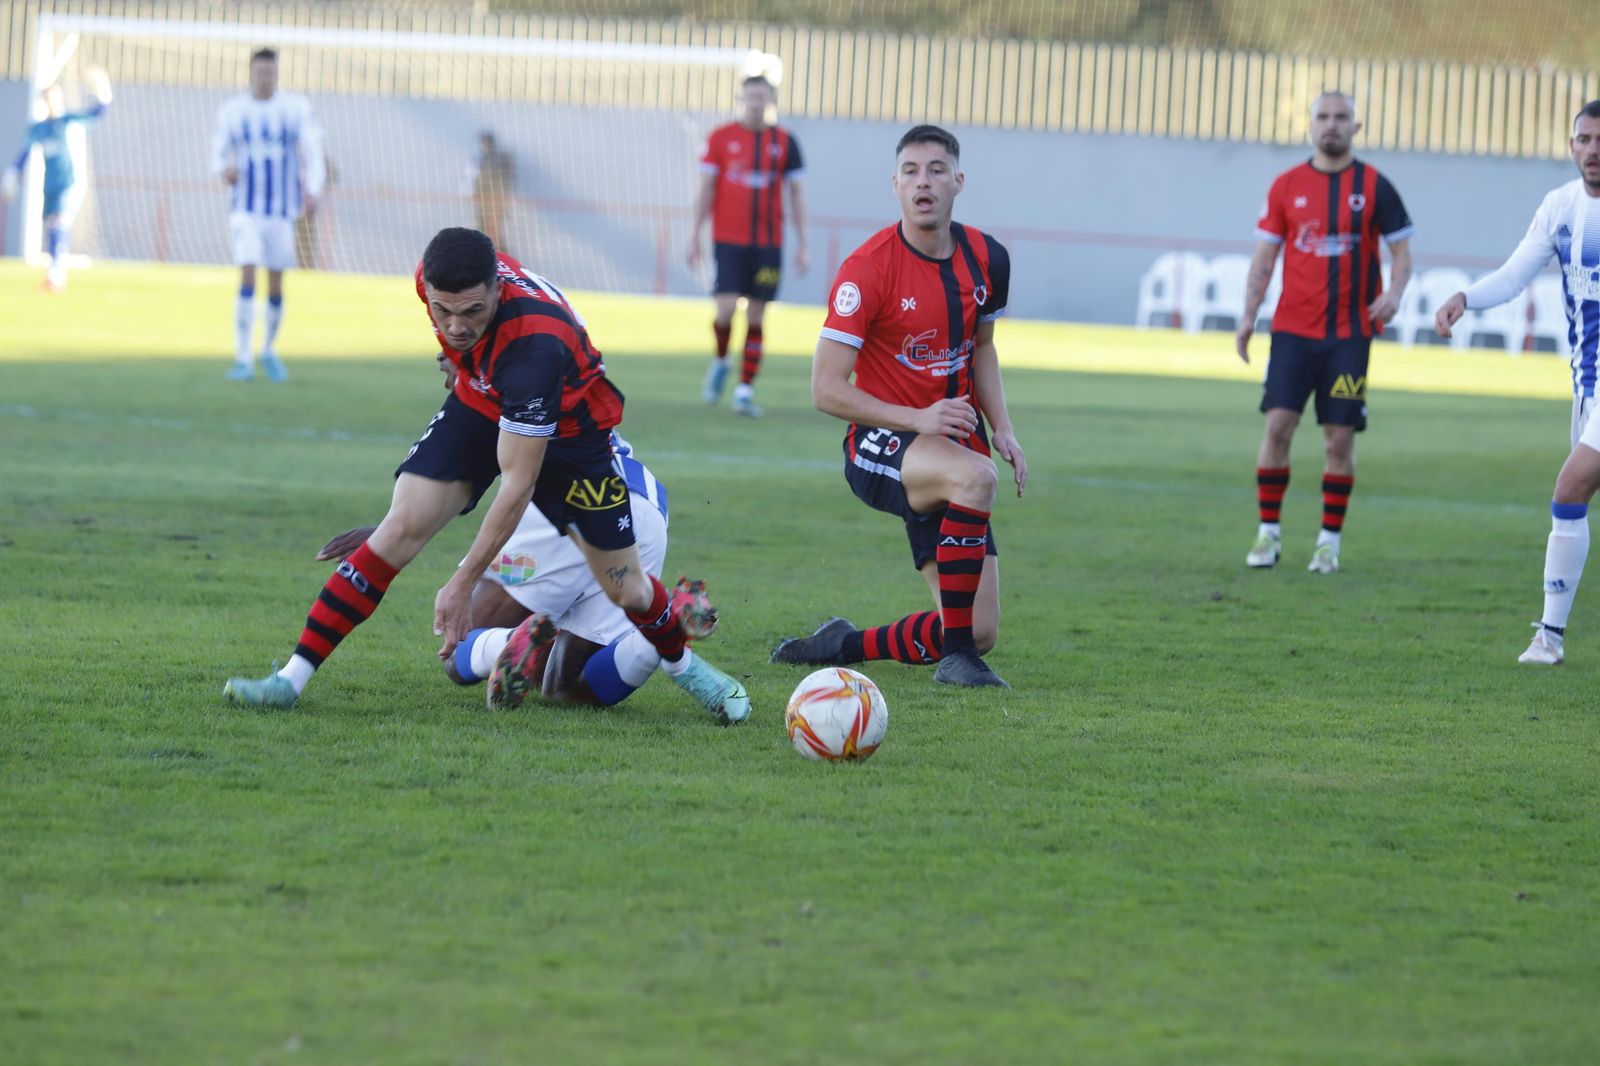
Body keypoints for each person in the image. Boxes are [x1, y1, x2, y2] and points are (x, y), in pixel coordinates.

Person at [224, 229, 750, 725]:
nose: (456, 325)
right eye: (442, 311)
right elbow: (462, 344)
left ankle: (686, 668)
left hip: (572, 441)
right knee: (397, 531)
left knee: (628, 588)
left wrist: (462, 579)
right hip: (483, 402)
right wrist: (406, 525)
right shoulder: (437, 281)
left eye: (473, 312)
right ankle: (289, 681)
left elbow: (518, 482)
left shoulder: (535, 349)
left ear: (498, 289)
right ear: (427, 288)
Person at [769, 125, 1026, 688]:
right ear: (895, 185)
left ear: (958, 181)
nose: (923, 182)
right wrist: (918, 419)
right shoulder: (868, 269)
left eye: (936, 170)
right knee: (977, 480)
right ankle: (957, 664)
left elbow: (983, 348)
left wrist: (1002, 428)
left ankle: (844, 644)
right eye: (910, 171)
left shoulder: (989, 259)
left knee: (978, 627)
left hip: (948, 450)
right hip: (880, 445)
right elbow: (825, 389)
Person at [313, 426, 721, 709]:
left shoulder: (497, 381)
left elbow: (462, 485)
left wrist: (394, 531)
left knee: (461, 644)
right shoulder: (551, 355)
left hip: (568, 499)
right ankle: (664, 626)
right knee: (566, 686)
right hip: (644, 507)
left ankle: (505, 641)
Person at [1434, 100, 1600, 665]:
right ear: (1571, 144)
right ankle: (1550, 637)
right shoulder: (1560, 208)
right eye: (1584, 139)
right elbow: (1513, 275)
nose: (1594, 149)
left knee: (1569, 489)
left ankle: (1549, 638)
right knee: (1574, 495)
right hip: (1588, 387)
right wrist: (1465, 298)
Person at [1235, 90, 1414, 574]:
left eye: (1341, 117)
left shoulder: (1376, 186)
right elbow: (1265, 257)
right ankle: (1268, 535)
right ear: (1310, 126)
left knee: (1339, 440)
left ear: (1357, 127)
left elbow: (1401, 253)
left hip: (1350, 337)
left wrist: (1395, 293)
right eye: (1323, 117)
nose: (1331, 125)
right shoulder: (1285, 186)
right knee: (1277, 427)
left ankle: (1328, 542)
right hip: (1292, 332)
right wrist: (1250, 314)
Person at [686, 75, 809, 417]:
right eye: (750, 96)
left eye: (762, 96)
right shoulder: (720, 138)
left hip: (769, 244)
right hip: (728, 240)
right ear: (742, 99)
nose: (756, 102)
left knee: (757, 314)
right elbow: (706, 189)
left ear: (771, 100)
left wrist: (803, 243)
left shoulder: (786, 142)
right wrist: (695, 235)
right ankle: (722, 359)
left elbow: (797, 194)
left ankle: (744, 390)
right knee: (725, 310)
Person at [211, 47, 326, 383]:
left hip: (280, 212)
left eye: (271, 73)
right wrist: (224, 169)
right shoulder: (233, 111)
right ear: (251, 73)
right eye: (260, 73)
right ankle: (243, 357)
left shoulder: (294, 109)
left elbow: (313, 149)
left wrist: (314, 187)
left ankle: (269, 350)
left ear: (276, 73)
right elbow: (218, 151)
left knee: (276, 280)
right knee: (248, 271)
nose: (266, 78)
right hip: (246, 209)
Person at [1, 70, 112, 292]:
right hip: (49, 184)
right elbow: (24, 154)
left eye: (53, 96)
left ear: (59, 98)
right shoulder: (39, 128)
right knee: (52, 224)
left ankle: (56, 274)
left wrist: (104, 96)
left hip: (70, 182)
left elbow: (97, 113)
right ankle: (55, 273)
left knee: (59, 221)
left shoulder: (69, 121)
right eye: (46, 97)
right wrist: (13, 175)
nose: (50, 101)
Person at [468, 131, 516, 254]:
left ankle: (504, 258)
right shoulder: (480, 158)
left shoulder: (500, 158)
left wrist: (501, 199)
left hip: (495, 199)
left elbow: (505, 179)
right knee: (482, 228)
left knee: (492, 230)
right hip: (484, 199)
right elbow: (477, 178)